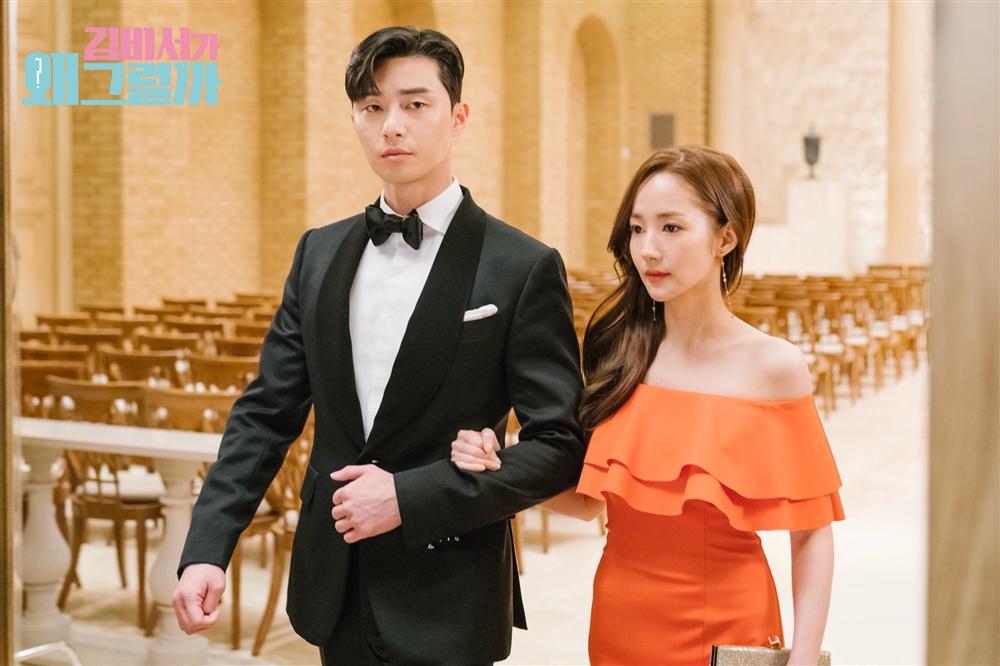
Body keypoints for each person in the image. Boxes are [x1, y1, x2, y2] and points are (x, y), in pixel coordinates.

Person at [171, 26, 585, 666]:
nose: (391, 125)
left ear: (458, 116)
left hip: (449, 589)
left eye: (415, 104)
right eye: (372, 106)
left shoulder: (521, 265)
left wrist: (410, 498)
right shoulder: (318, 252)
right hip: (334, 583)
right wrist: (208, 547)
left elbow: (558, 447)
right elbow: (266, 412)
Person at [452, 145, 845, 665]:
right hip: (618, 626)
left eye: (671, 227)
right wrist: (500, 465)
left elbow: (811, 531)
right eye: (637, 229)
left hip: (728, 628)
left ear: (725, 237)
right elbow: (588, 501)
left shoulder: (773, 367)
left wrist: (804, 659)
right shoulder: (618, 353)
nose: (648, 250)